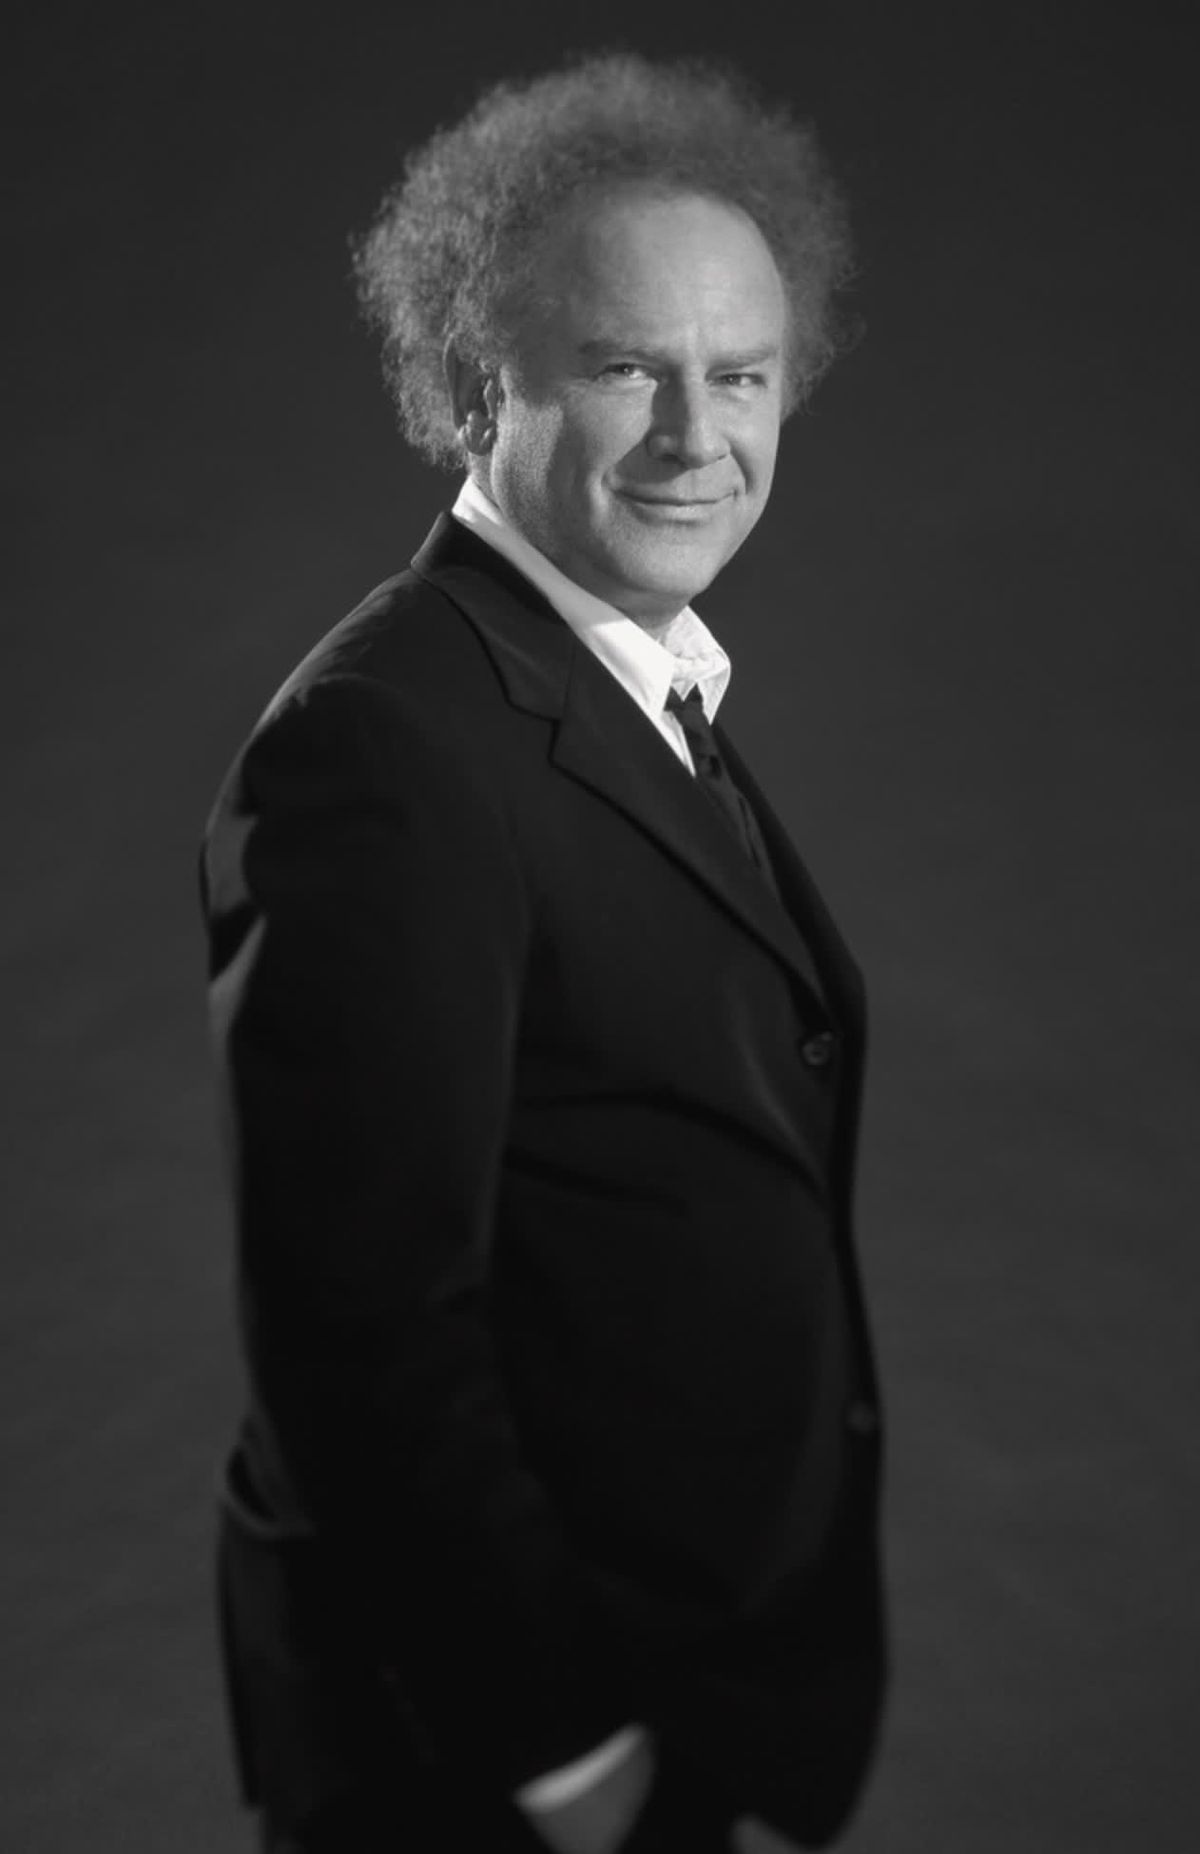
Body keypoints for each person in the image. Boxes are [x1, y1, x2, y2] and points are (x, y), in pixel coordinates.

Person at [200, 51, 888, 1854]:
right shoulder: (386, 743)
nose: (696, 434)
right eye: (626, 368)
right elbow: (359, 1328)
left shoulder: (628, 685)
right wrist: (578, 1763)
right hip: (502, 1757)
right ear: (471, 385)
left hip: (681, 1694)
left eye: (743, 374)